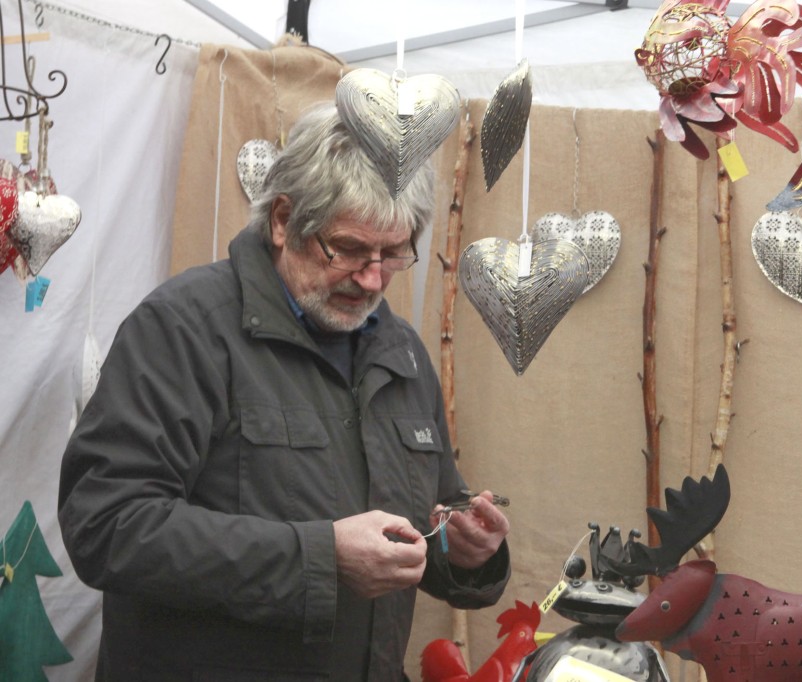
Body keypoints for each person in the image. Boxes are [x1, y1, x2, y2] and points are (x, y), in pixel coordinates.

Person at [57, 101, 511, 681]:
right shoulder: (183, 329)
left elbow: (428, 517)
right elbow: (106, 525)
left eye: (392, 253)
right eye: (349, 249)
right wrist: (321, 558)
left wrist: (465, 551)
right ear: (282, 220)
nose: (373, 278)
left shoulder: (402, 353)